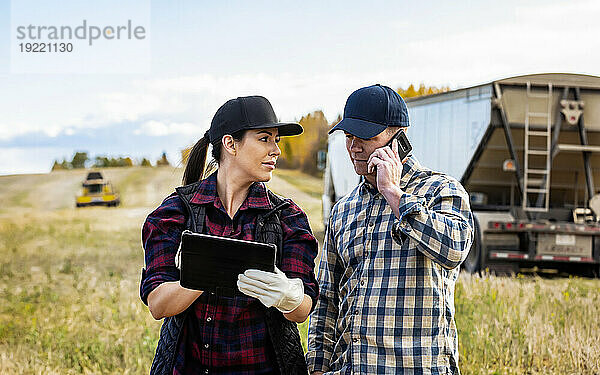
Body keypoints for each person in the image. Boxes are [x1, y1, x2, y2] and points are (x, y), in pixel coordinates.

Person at [140, 95, 319, 375]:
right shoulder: (174, 214)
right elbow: (158, 304)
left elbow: (302, 310)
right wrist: (211, 269)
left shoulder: (288, 218)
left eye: (276, 140)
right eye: (264, 138)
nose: (276, 150)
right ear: (230, 144)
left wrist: (289, 295)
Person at [306, 84, 474, 374]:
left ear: (399, 138)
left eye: (365, 137)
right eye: (348, 136)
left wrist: (394, 194)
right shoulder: (343, 210)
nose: (353, 147)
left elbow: (454, 250)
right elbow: (327, 300)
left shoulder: (442, 191)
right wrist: (318, 367)